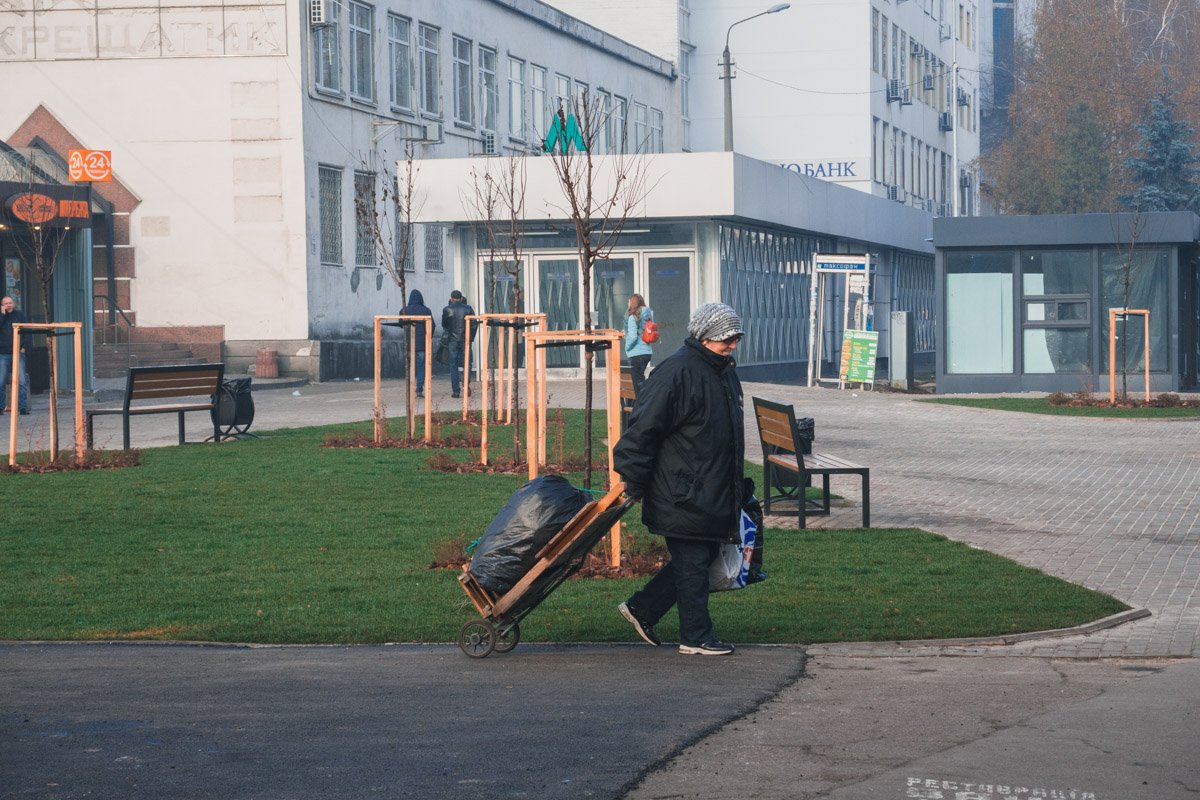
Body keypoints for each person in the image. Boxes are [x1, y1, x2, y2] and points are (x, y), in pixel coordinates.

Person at [613, 302, 746, 656]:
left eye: (735, 338)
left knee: (699, 559)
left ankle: (643, 609)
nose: (732, 344)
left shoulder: (722, 371)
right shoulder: (676, 373)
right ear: (704, 337)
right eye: (726, 338)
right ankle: (696, 637)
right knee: (693, 564)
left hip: (706, 490)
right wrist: (634, 480)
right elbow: (641, 431)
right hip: (683, 492)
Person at [440, 290, 476, 399]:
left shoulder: (447, 309)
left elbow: (444, 325)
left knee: (453, 365)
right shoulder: (468, 309)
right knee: (467, 362)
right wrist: (471, 337)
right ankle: (466, 382)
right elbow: (474, 324)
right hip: (466, 339)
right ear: (461, 298)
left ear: (451, 299)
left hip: (453, 340)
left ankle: (456, 391)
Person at [401, 289, 435, 397]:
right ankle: (419, 389)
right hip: (422, 343)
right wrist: (428, 337)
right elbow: (432, 326)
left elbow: (401, 324)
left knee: (409, 366)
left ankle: (409, 389)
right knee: (421, 366)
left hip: (408, 343)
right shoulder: (426, 310)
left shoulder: (404, 310)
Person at [0, 296, 31, 416]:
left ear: (13, 303)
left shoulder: (19, 315)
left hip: (18, 351)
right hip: (3, 353)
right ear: (2, 305)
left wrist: (24, 347)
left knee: (22, 380)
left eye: (10, 303)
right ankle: (0, 407)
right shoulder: (1, 316)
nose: (9, 305)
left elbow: (26, 331)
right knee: (1, 381)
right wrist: (2, 315)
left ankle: (23, 407)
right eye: (6, 303)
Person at [623, 293, 653, 397]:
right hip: (647, 352)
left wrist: (627, 347)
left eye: (629, 302)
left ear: (632, 303)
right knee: (640, 380)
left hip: (636, 354)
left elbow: (633, 337)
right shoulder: (648, 316)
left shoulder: (632, 317)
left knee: (638, 384)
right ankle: (644, 401)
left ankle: (644, 403)